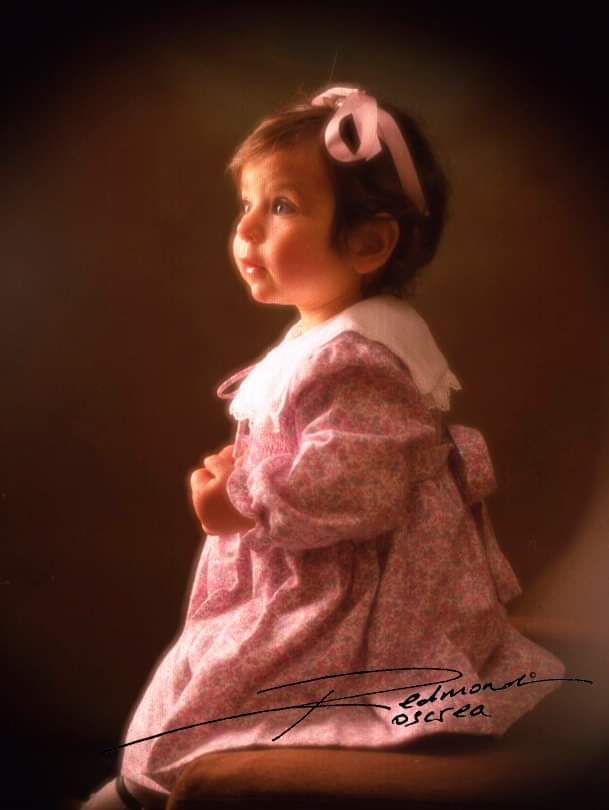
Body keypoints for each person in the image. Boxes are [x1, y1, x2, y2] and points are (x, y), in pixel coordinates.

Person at [81, 84, 565, 809]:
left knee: (223, 693)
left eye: (280, 207)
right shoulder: (327, 340)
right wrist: (249, 467)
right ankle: (132, 789)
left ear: (368, 242)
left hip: (347, 594)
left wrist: (238, 498)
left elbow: (355, 488)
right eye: (244, 205)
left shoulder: (356, 357)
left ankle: (140, 791)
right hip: (307, 566)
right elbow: (323, 454)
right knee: (201, 669)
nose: (246, 229)